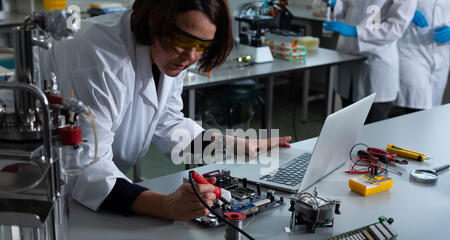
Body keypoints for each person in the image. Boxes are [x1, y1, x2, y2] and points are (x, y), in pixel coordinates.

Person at [40, 0, 292, 220]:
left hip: (88, 188)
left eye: (202, 45)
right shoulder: (100, 62)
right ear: (155, 20)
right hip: (40, 183)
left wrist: (235, 146)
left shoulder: (167, 55)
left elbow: (169, 125)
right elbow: (86, 170)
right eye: (183, 40)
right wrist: (166, 205)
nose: (190, 56)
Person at [322, 0, 417, 123]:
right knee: (348, 128)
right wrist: (335, 4)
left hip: (376, 62)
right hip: (348, 57)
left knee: (373, 130)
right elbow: (349, 8)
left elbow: (395, 28)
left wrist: (356, 31)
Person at [395, 0, 450, 113]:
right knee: (417, 107)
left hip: (441, 54)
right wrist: (406, 11)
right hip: (411, 51)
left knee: (434, 110)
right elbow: (384, 5)